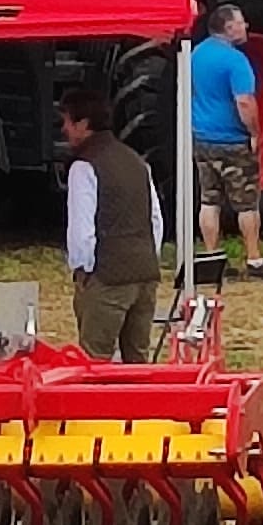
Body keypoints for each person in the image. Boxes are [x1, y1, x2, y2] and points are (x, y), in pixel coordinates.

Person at [56, 84, 162, 361]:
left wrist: (84, 270)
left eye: (67, 121)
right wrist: (149, 258)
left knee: (95, 360)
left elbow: (81, 229)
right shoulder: (137, 162)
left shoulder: (85, 166)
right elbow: (156, 220)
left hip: (107, 276)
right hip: (145, 273)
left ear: (83, 123)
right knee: (137, 359)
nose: (64, 129)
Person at [186, 0, 263, 275]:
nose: (245, 25)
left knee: (209, 200)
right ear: (228, 26)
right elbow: (244, 101)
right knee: (246, 202)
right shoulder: (236, 60)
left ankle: (213, 258)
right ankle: (254, 258)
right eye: (240, 20)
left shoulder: (196, 54)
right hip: (232, 140)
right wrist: (255, 132)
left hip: (202, 137)